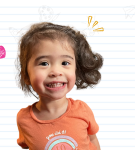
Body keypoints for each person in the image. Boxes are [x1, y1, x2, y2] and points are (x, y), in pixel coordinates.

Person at [15, 22, 103, 150]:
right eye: (44, 63)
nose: (56, 72)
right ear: (26, 76)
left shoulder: (82, 110)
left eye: (65, 62)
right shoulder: (23, 119)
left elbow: (92, 138)